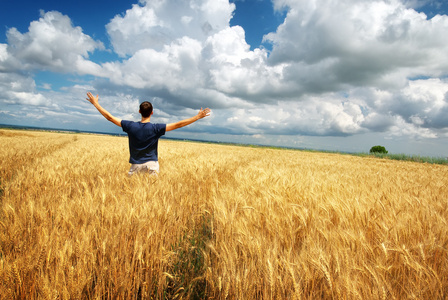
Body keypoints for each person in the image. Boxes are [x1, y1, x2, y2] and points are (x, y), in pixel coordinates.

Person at [86, 92, 211, 176]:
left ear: (139, 111)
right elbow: (178, 124)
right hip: (152, 165)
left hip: (135, 166)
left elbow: (110, 118)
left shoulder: (130, 126)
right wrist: (197, 117)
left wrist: (96, 103)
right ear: (152, 112)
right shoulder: (156, 128)